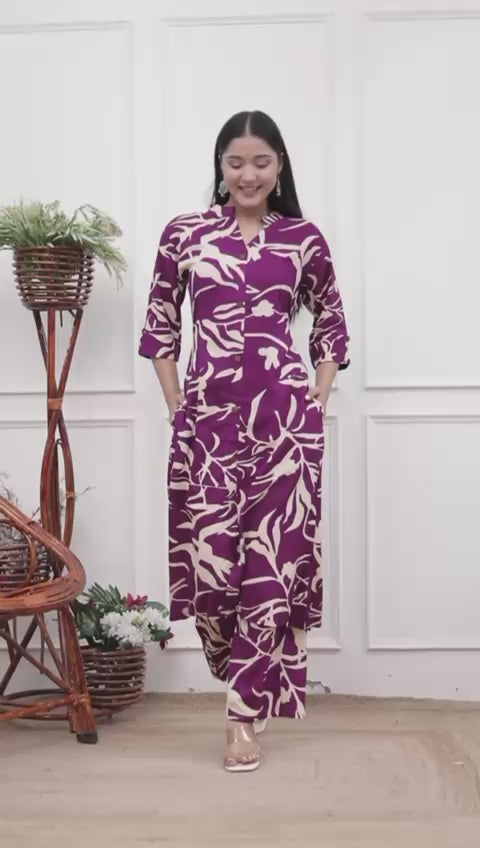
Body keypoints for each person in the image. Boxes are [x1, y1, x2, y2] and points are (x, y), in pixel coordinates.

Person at [138, 110, 350, 773]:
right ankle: (239, 672)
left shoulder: (302, 239)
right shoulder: (185, 235)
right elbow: (160, 325)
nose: (249, 174)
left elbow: (331, 323)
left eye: (261, 162)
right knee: (213, 574)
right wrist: (177, 403)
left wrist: (317, 396)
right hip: (206, 427)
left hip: (284, 431)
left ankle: (241, 716)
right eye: (236, 162)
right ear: (220, 167)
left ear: (279, 166)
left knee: (269, 569)